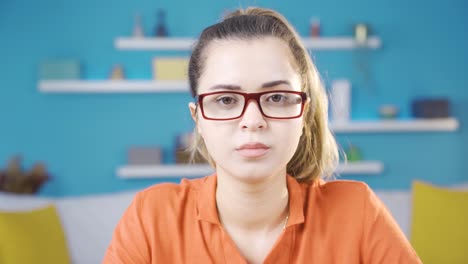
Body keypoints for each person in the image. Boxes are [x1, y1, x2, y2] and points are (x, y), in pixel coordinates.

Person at [103, 7, 422, 264]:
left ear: (304, 111)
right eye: (226, 100)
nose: (252, 121)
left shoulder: (357, 212)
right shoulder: (151, 217)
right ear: (198, 117)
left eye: (276, 98)